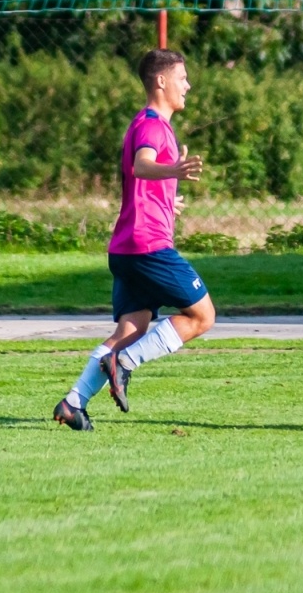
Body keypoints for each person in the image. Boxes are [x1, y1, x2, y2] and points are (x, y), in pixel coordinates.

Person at [53, 49, 216, 431]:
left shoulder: (145, 123)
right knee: (203, 316)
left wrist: (165, 198)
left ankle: (72, 402)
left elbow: (142, 180)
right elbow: (142, 164)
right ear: (161, 81)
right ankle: (124, 364)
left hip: (127, 248)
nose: (187, 85)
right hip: (148, 247)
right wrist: (174, 168)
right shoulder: (153, 126)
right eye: (182, 76)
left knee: (130, 331)